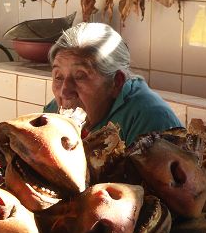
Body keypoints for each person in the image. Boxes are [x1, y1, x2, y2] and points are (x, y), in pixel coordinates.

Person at [44, 22, 183, 146]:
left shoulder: (151, 119)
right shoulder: (53, 113)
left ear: (116, 82)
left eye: (80, 76)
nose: (65, 92)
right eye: (58, 77)